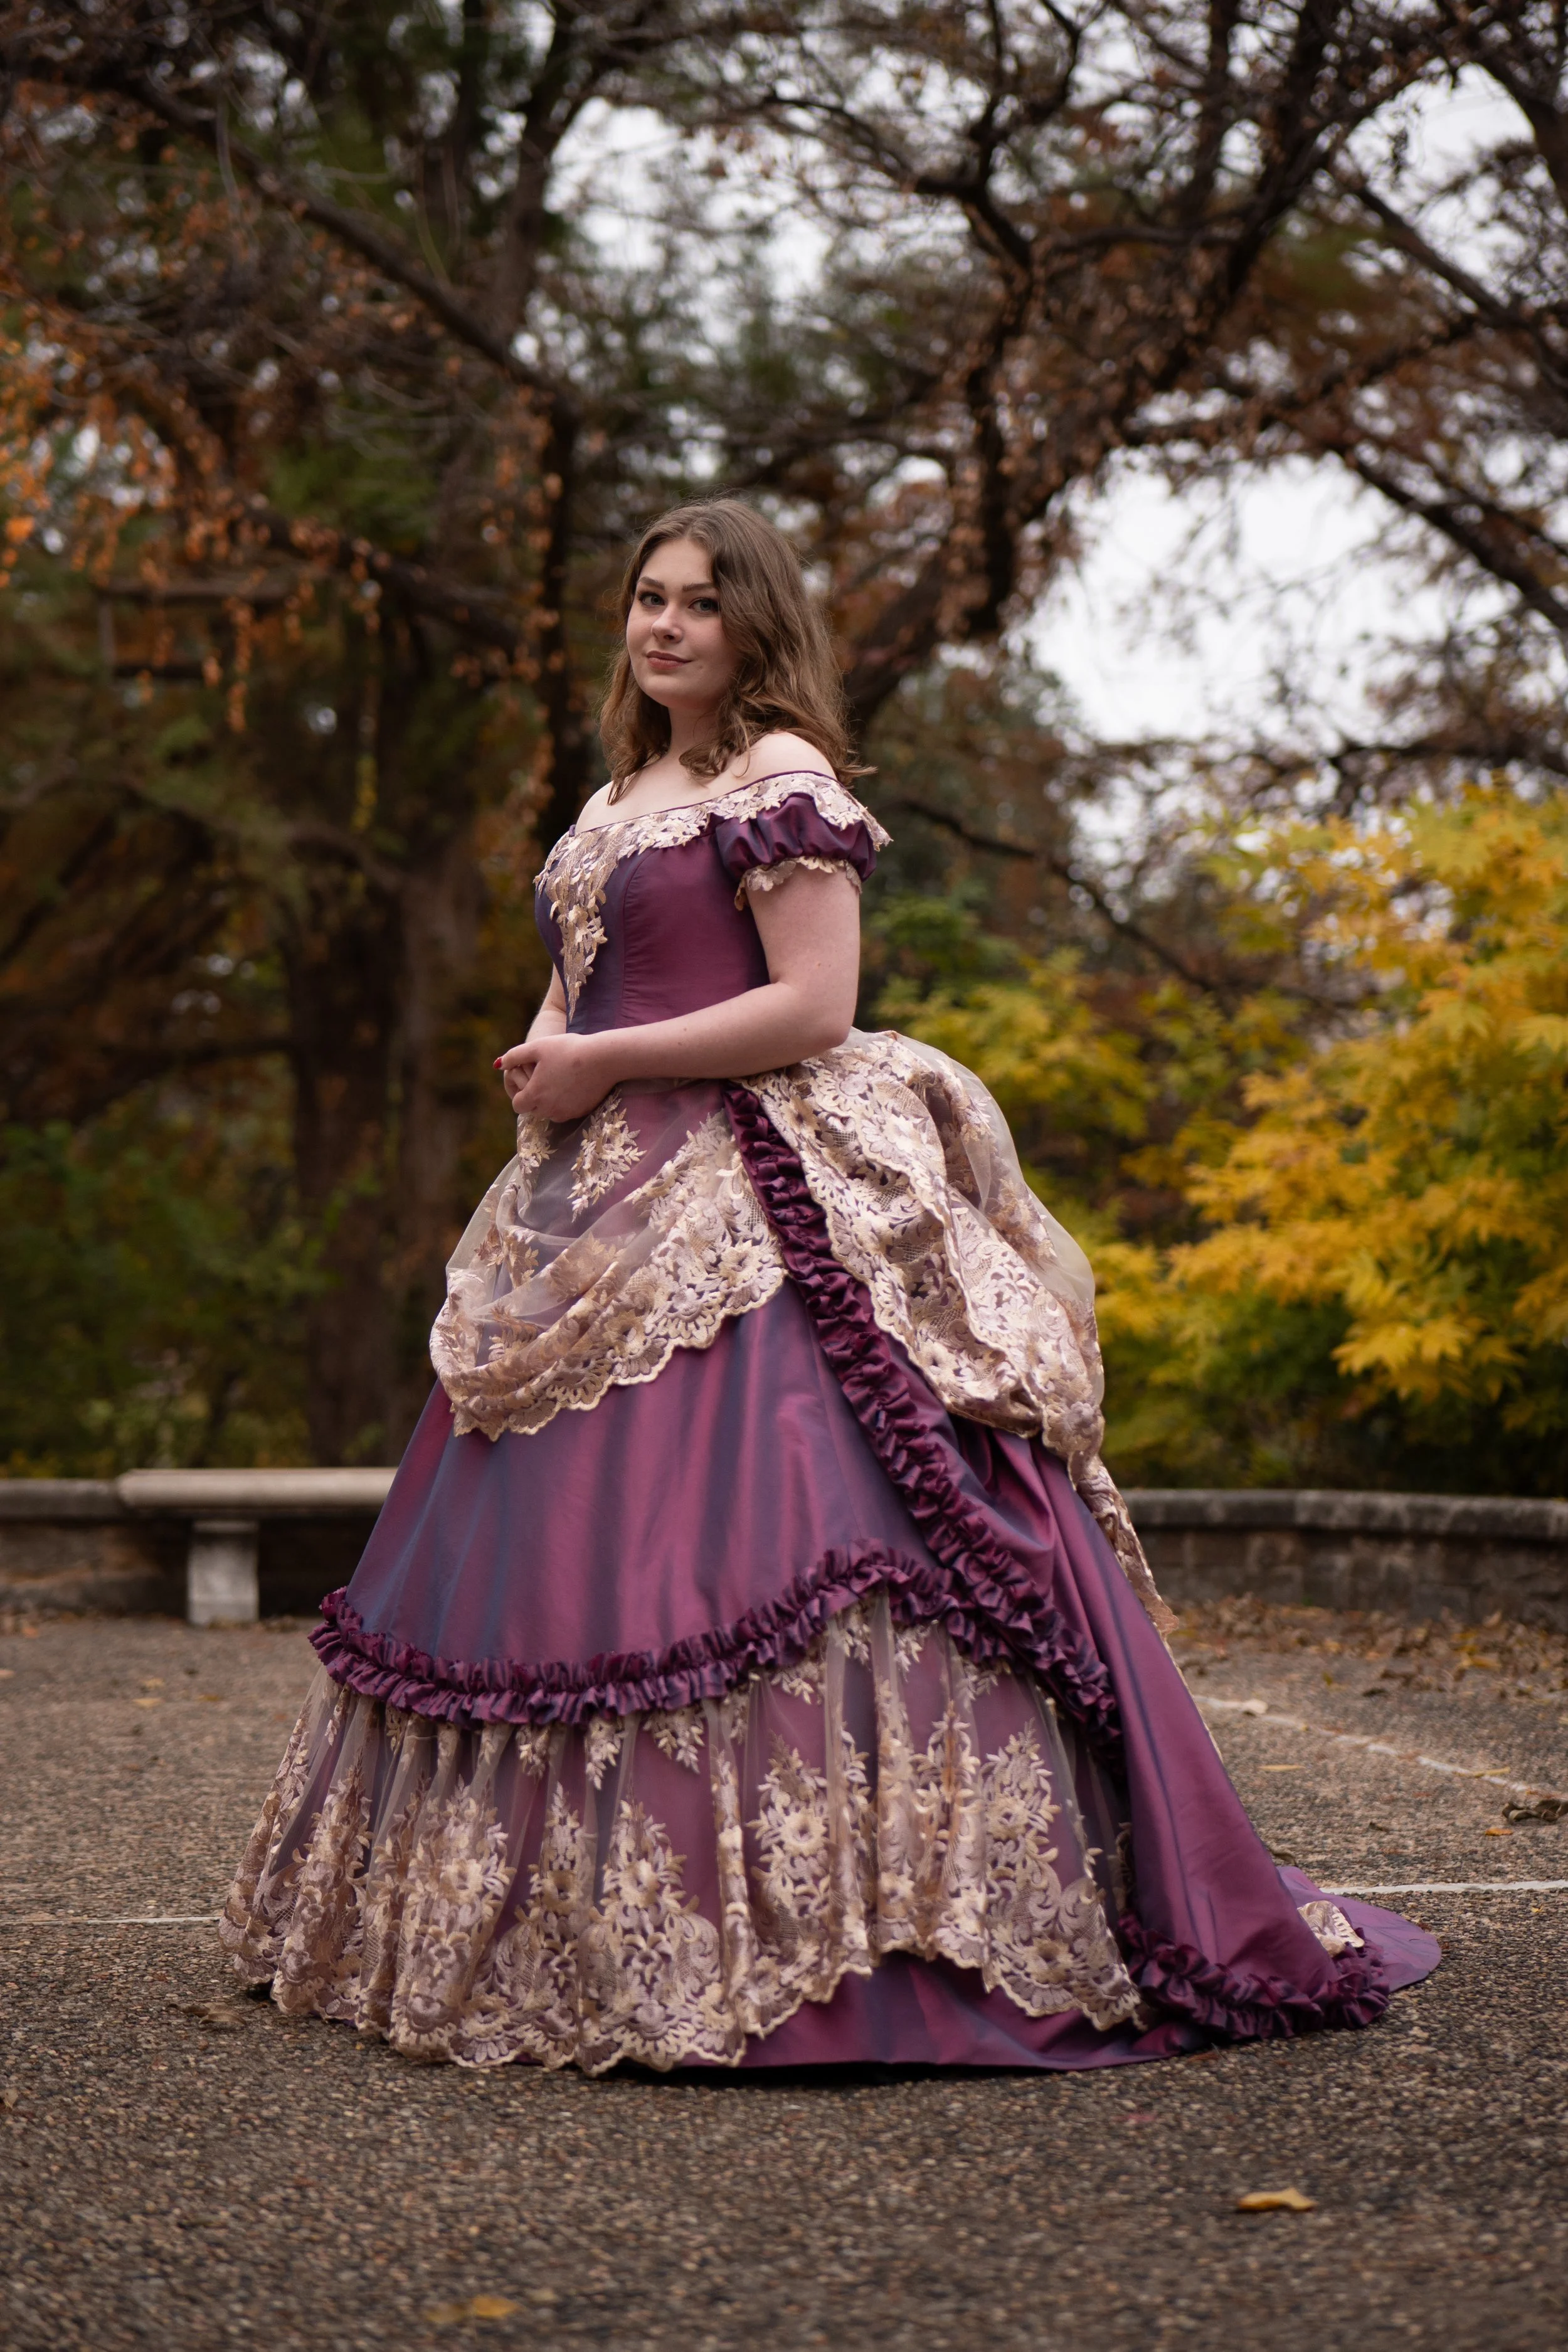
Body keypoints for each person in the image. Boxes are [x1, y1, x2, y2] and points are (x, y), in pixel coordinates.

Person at [221, 499, 1438, 2072]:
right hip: (593, 1190)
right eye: (645, 599)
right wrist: (552, 1061)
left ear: (754, 626)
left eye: (697, 606)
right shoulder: (618, 791)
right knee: (544, 1554)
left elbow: (810, 1004)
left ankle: (861, 1935)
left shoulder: (777, 781)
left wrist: (603, 1059)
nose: (661, 627)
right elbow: (584, 962)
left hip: (748, 1189)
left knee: (827, 1522)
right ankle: (551, 1929)